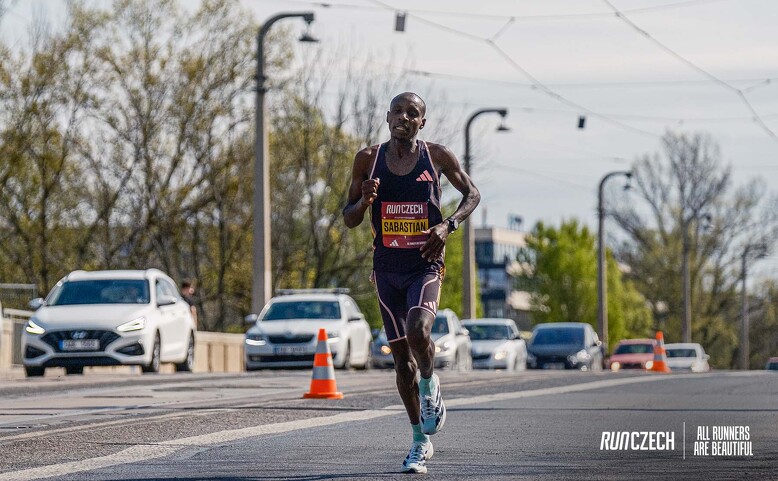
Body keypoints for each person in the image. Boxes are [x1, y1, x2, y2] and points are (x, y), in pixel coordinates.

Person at [343, 92, 480, 474]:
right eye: (398, 111)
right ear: (387, 118)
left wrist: (447, 225)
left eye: (413, 113)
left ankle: (430, 382)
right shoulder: (368, 160)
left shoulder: (436, 156)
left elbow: (472, 193)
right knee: (400, 359)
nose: (404, 117)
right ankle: (420, 441)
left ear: (423, 122)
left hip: (425, 264)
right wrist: (363, 203)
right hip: (386, 268)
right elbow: (348, 217)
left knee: (418, 329)